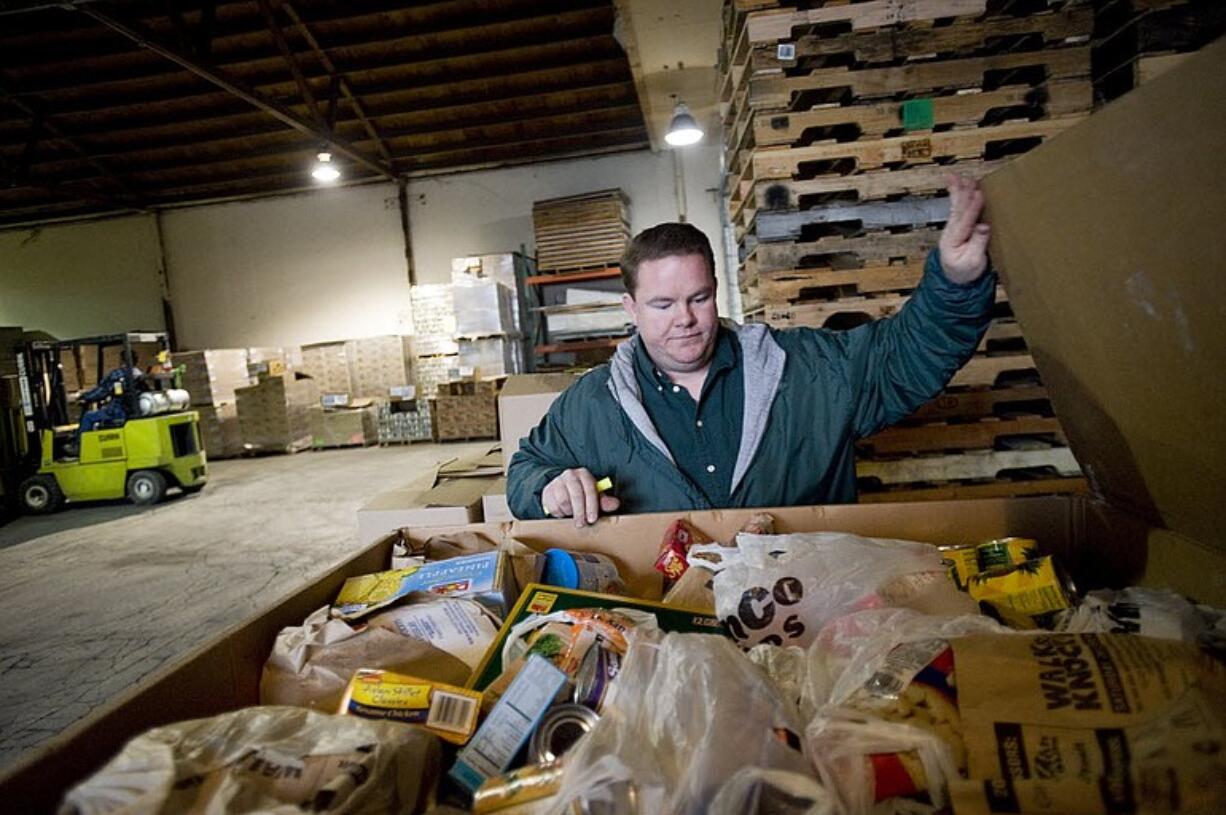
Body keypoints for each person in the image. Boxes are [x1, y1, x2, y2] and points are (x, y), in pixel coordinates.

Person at [507, 175, 995, 525]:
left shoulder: (807, 371)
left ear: (717, 290)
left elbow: (906, 355)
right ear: (630, 308)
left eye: (698, 298)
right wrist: (548, 488)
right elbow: (524, 471)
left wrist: (954, 282)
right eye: (662, 304)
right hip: (672, 624)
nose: (685, 318)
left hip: (806, 609)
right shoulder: (594, 404)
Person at [78, 355, 143, 434]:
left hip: (118, 411)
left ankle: (80, 444)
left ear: (122, 360)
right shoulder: (140, 374)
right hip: (134, 411)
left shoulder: (119, 374)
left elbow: (102, 391)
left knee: (88, 416)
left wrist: (84, 396)